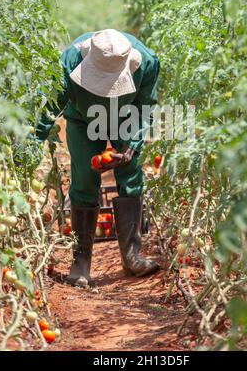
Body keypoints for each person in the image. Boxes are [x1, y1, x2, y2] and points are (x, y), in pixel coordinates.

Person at [36, 29, 160, 287]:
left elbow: (145, 108)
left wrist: (132, 146)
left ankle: (132, 254)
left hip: (124, 118)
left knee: (130, 173)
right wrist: (32, 142)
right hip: (82, 119)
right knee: (83, 177)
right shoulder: (69, 62)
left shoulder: (146, 63)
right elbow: (49, 108)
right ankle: (81, 261)